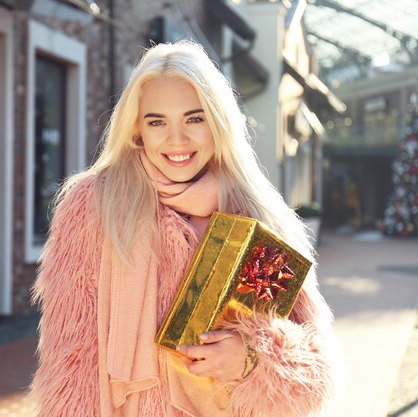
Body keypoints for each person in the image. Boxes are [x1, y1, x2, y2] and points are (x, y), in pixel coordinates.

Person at [30, 41, 342, 417]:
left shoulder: (253, 215)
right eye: (156, 121)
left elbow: (315, 376)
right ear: (136, 130)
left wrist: (253, 358)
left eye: (194, 119)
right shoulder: (94, 206)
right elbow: (71, 356)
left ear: (218, 124)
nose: (176, 140)